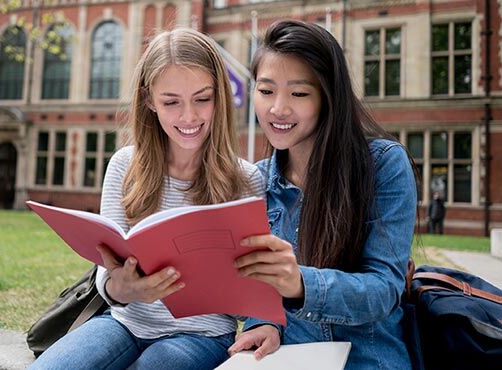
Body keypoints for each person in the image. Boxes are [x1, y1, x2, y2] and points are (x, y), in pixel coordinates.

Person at [29, 27, 266, 370]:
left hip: (203, 336)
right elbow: (105, 278)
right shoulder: (124, 166)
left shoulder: (245, 180)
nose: (189, 117)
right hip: (124, 323)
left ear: (221, 97)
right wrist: (123, 288)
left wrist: (247, 301)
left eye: (203, 98)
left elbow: (253, 294)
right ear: (149, 101)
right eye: (171, 102)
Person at [228, 20, 418, 369]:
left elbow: (384, 288)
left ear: (328, 97)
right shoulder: (254, 180)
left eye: (298, 94)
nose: (277, 109)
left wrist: (300, 282)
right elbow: (260, 292)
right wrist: (263, 322)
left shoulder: (384, 165)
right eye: (266, 91)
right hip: (285, 358)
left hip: (367, 358)